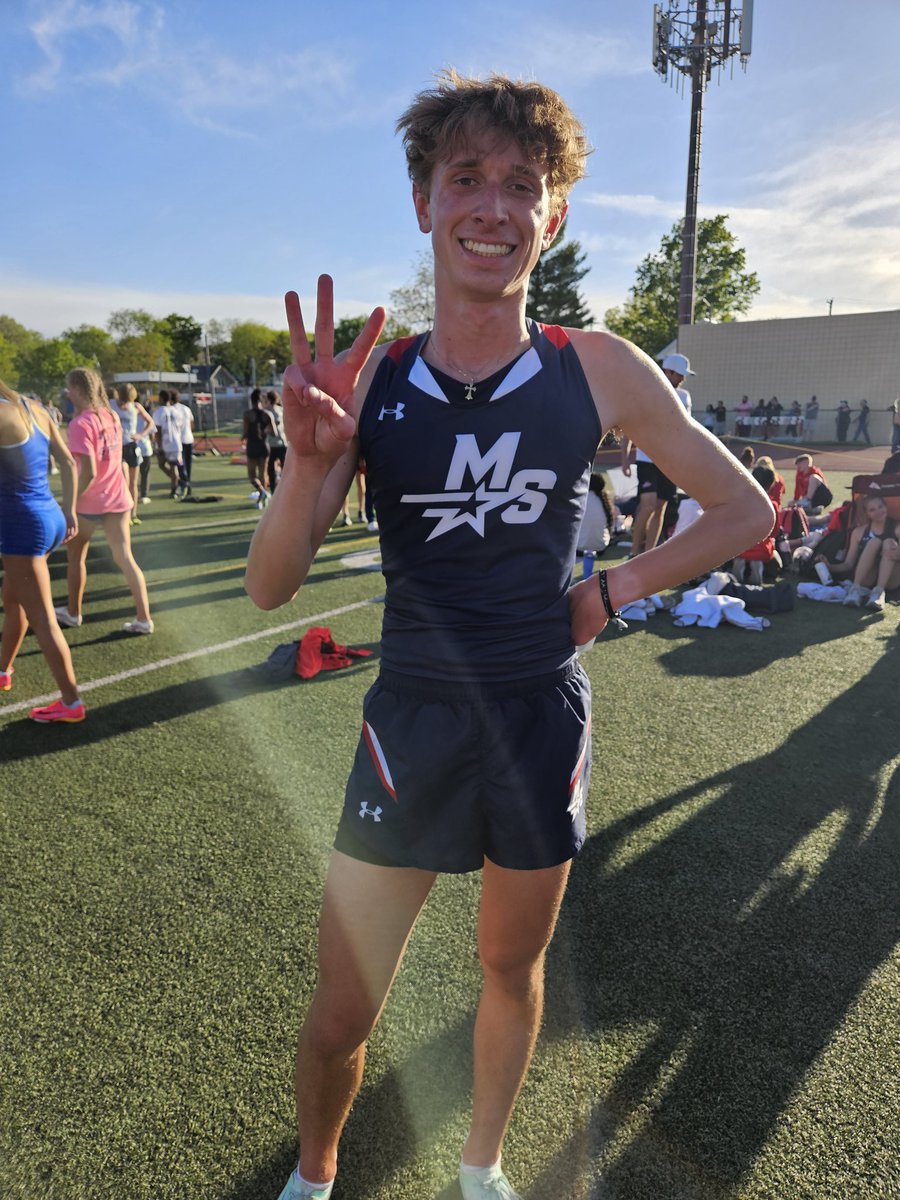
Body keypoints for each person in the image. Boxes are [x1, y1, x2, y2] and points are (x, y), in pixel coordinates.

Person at [244, 71, 772, 1200]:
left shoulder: (599, 366)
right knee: (343, 1007)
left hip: (539, 715)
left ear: (556, 214)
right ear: (424, 203)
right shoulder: (374, 381)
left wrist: (610, 589)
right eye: (466, 179)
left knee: (507, 964)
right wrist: (308, 464)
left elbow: (745, 511)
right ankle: (318, 1175)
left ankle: (480, 1166)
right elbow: (271, 588)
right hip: (413, 721)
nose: (493, 205)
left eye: (521, 185)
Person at [0, 378, 85, 722]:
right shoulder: (34, 407)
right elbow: (67, 462)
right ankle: (3, 670)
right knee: (13, 598)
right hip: (49, 516)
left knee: (44, 618)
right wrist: (70, 510)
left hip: (23, 525)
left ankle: (71, 702)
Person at [56, 368, 153, 635]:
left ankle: (74, 613)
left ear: (76, 389)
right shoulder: (108, 416)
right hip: (117, 498)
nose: (67, 393)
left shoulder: (81, 424)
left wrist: (69, 503)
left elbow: (88, 471)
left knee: (76, 558)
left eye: (69, 388)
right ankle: (144, 618)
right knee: (125, 558)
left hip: (90, 501)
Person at [620, 351, 694, 557]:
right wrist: (625, 458)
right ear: (667, 372)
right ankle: (634, 552)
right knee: (647, 506)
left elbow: (685, 429)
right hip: (647, 459)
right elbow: (630, 427)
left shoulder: (684, 396)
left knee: (660, 507)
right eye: (679, 374)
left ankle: (648, 554)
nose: (682, 378)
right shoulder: (646, 392)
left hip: (671, 461)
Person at [815, 494, 899, 610]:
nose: (878, 511)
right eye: (872, 510)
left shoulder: (896, 527)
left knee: (890, 542)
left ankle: (878, 593)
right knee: (874, 542)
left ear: (886, 507)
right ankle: (855, 589)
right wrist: (830, 566)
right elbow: (849, 564)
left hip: (890, 579)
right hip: (867, 579)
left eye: (880, 507)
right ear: (867, 514)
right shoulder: (859, 532)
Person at [112, 383, 154, 518]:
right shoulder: (111, 404)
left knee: (133, 483)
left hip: (131, 446)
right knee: (124, 480)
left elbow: (150, 422)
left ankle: (133, 514)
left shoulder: (135, 407)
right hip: (117, 447)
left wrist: (141, 435)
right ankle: (122, 512)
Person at [242, 388, 277, 508]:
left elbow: (245, 433)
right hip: (264, 446)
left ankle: (262, 493)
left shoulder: (247, 414)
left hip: (252, 446)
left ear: (251, 400)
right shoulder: (268, 414)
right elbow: (274, 433)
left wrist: (243, 437)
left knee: (252, 476)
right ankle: (261, 501)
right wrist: (264, 430)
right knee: (263, 475)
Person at [154, 389, 190, 498]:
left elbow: (158, 431)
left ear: (161, 399)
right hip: (176, 442)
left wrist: (159, 446)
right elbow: (180, 426)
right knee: (173, 466)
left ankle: (176, 486)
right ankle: (177, 485)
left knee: (162, 464)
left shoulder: (158, 412)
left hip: (165, 442)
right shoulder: (176, 411)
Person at [264, 389, 287, 493]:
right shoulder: (280, 409)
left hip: (277, 443)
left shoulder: (271, 411)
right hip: (280, 443)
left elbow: (276, 427)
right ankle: (278, 490)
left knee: (276, 470)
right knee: (276, 469)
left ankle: (277, 490)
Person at [173, 391, 195, 494]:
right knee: (188, 464)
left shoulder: (173, 410)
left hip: (179, 441)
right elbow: (192, 424)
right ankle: (188, 486)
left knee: (180, 465)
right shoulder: (186, 408)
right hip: (189, 439)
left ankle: (182, 485)